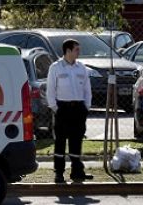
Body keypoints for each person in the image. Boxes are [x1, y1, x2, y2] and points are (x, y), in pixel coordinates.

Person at [46, 38, 93, 184]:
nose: (79, 52)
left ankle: (77, 171)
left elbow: (87, 89)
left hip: (78, 109)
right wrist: (55, 108)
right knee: (60, 142)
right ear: (68, 51)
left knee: (76, 141)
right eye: (76, 49)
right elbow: (50, 90)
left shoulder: (81, 68)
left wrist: (86, 107)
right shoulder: (56, 67)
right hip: (62, 109)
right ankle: (59, 173)